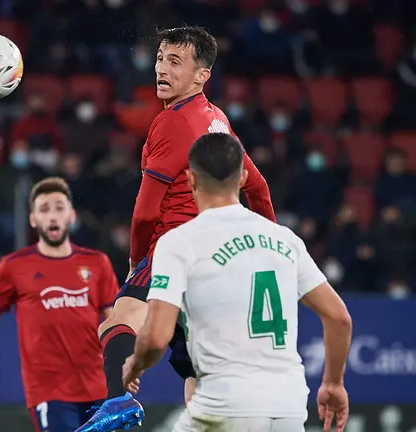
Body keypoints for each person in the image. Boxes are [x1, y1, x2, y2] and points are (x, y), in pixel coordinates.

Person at [78, 27, 276, 432]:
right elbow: (257, 187)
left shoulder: (172, 123)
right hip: (222, 261)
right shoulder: (217, 120)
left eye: (175, 62)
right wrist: (265, 246)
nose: (161, 69)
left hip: (176, 247)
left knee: (120, 318)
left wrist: (137, 261)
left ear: (202, 75)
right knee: (196, 372)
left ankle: (118, 399)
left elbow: (146, 211)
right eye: (160, 59)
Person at [121, 133, 351, 432]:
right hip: (289, 409)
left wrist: (134, 365)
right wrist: (333, 384)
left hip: (222, 407)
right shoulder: (284, 239)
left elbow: (155, 338)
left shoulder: (178, 243)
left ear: (191, 179)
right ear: (243, 177)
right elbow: (339, 318)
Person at [0, 177, 128, 432]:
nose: (52, 216)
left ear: (72, 216)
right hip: (49, 392)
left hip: (99, 389)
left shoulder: (97, 263)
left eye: (59, 208)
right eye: (44, 209)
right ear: (33, 219)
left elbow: (115, 319)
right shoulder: (15, 266)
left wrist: (126, 362)